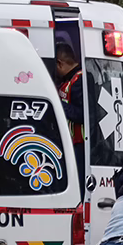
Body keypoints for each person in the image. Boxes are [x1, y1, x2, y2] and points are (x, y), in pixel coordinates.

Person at [54, 43, 86, 183]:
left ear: (59, 63)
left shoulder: (80, 80)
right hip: (71, 144)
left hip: (81, 145)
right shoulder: (69, 80)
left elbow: (82, 114)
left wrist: (56, 104)